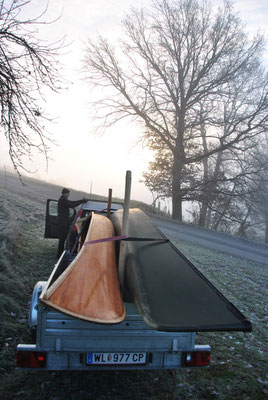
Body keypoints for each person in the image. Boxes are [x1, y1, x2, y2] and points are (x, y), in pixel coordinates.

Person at [57, 188, 88, 259]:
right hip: (62, 222)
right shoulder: (62, 199)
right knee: (62, 238)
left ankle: (60, 254)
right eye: (68, 193)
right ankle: (59, 255)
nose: (69, 194)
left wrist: (81, 201)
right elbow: (72, 205)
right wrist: (81, 201)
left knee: (63, 238)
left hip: (63, 221)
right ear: (65, 193)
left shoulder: (63, 199)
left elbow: (72, 203)